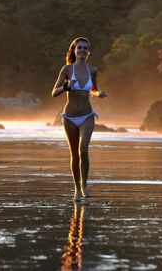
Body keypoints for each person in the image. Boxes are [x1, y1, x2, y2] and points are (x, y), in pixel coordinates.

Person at [52, 37, 107, 201]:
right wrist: (66, 87)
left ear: (88, 51)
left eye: (85, 48)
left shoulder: (93, 70)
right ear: (74, 51)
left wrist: (99, 94)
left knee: (83, 150)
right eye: (79, 48)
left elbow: (94, 90)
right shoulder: (67, 69)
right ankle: (76, 188)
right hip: (69, 117)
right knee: (74, 154)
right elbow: (54, 92)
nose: (82, 50)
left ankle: (84, 184)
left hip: (87, 115)